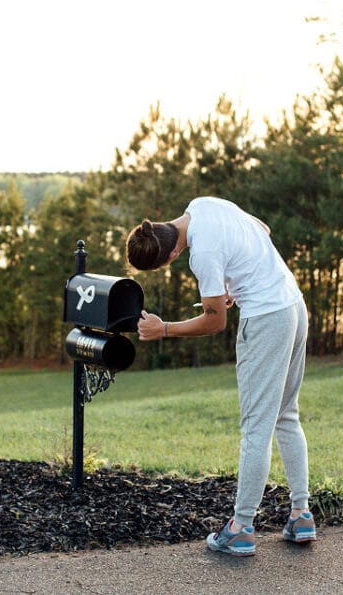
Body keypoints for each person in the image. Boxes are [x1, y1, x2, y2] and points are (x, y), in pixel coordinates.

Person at [125, 196, 315, 557]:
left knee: (256, 426)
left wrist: (163, 328)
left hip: (266, 319)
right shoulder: (202, 204)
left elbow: (215, 321)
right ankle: (301, 515)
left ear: (169, 257)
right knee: (286, 415)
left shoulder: (201, 254)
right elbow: (261, 229)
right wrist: (232, 283)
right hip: (294, 305)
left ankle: (241, 528)